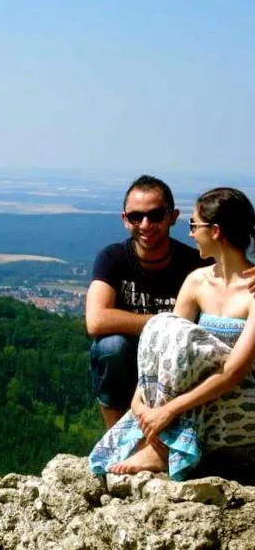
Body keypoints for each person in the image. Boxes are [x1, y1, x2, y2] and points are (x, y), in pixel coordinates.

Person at [89, 187, 255, 481]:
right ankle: (157, 441)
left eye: (194, 225)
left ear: (215, 231)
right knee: (165, 326)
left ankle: (162, 449)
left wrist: (168, 411)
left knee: (179, 337)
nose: (190, 234)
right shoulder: (197, 281)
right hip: (201, 394)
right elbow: (164, 346)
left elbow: (234, 371)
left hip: (239, 398)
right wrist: (140, 400)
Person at [86, 175, 207, 430]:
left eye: (155, 215)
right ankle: (117, 437)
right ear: (124, 219)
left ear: (172, 216)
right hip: (129, 358)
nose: (145, 224)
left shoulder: (195, 263)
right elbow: (96, 321)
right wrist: (167, 323)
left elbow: (236, 272)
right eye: (135, 217)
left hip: (179, 360)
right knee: (111, 347)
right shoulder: (114, 258)